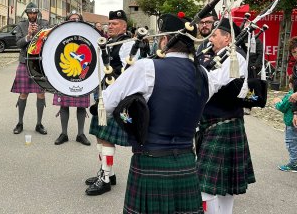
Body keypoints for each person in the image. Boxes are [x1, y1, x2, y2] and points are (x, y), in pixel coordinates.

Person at [102, 13, 214, 214]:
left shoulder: (147, 67)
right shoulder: (204, 74)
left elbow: (108, 103)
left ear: (165, 40)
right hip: (187, 163)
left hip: (151, 162)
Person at [197, 18, 255, 214]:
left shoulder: (234, 57)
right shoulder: (214, 56)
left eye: (214, 35)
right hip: (213, 124)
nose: (210, 38)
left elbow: (211, 85)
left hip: (224, 124)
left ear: (227, 37)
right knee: (221, 183)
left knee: (205, 182)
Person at [85, 9, 133, 196]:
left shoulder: (128, 45)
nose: (110, 26)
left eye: (115, 23)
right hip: (103, 93)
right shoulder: (110, 42)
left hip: (114, 97)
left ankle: (104, 178)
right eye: (109, 23)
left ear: (124, 26)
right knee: (99, 133)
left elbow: (130, 73)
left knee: (106, 136)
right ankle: (108, 172)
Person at [53, 11, 91, 146]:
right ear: (67, 20)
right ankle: (64, 133)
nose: (75, 20)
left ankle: (80, 134)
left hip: (82, 73)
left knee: (81, 106)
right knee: (64, 105)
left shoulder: (87, 33)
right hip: (64, 72)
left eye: (77, 18)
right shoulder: (61, 32)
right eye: (72, 18)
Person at [11, 2, 49, 135]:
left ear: (37, 13)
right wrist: (28, 35)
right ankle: (20, 123)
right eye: (30, 13)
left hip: (39, 62)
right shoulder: (21, 25)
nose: (32, 15)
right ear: (27, 14)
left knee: (41, 93)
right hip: (25, 61)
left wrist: (37, 33)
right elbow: (18, 44)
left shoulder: (44, 24)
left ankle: (39, 124)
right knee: (23, 93)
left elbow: (48, 41)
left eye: (34, 13)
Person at [273, 90, 297, 172]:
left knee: (291, 143)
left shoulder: (291, 95)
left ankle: (294, 163)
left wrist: (277, 101)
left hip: (291, 122)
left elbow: (282, 107)